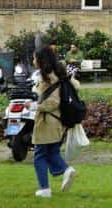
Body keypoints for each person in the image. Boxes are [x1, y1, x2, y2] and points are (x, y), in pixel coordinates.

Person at [29, 46, 79, 198]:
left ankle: (46, 187)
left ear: (41, 60)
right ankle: (64, 171)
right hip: (58, 122)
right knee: (51, 152)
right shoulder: (60, 74)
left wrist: (34, 105)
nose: (33, 61)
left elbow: (52, 102)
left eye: (34, 58)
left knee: (39, 155)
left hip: (47, 121)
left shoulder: (49, 78)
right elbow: (75, 87)